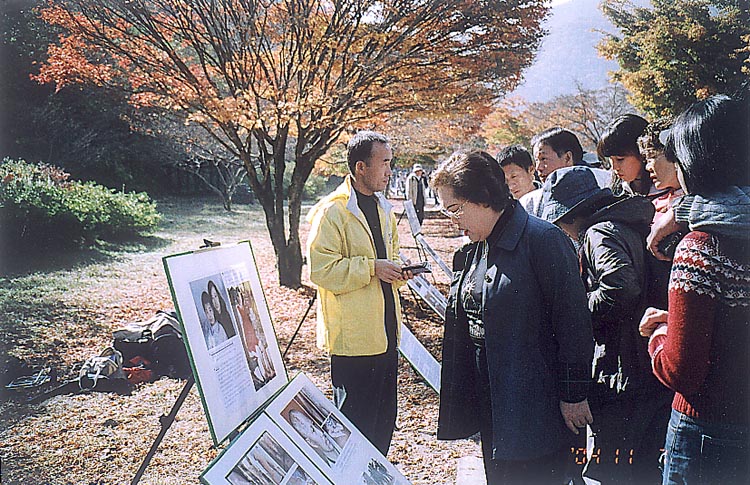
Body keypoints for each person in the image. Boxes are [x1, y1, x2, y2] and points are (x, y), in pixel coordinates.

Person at [431, 150, 594, 484]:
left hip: (536, 405)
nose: (453, 220)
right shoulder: (476, 247)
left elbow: (574, 324)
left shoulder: (543, 240)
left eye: (455, 209)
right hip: (494, 398)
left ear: (483, 198)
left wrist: (574, 394)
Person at [638, 94, 750, 485]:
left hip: (708, 433)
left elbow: (681, 370)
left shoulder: (700, 248)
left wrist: (661, 333)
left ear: (696, 161)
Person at [540, 166, 671, 484]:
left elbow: (620, 288)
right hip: (647, 366)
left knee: (614, 469)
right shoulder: (629, 225)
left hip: (621, 371)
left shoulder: (599, 233)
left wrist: (575, 308)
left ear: (571, 215)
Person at [306, 130, 413, 456]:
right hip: (354, 344)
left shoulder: (384, 209)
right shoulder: (332, 212)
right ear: (360, 167)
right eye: (384, 163)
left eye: (391, 162)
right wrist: (371, 268)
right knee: (354, 432)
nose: (390, 171)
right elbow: (321, 270)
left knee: (383, 424)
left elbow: (389, 258)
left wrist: (399, 272)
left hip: (386, 335)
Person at [521, 127, 612, 216]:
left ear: (567, 158)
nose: (538, 168)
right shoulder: (530, 202)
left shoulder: (606, 182)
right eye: (536, 160)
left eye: (544, 159)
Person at [597, 114, 659, 198]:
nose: (614, 167)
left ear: (642, 153)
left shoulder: (663, 189)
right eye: (611, 159)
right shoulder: (617, 189)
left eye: (620, 159)